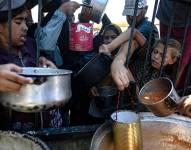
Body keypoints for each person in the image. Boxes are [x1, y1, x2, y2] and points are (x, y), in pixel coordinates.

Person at [0, 0, 64, 130]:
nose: (25, 27)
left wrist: (47, 65)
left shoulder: (31, 44)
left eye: (26, 21)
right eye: (18, 22)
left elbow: (48, 67)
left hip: (47, 125)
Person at [156, 0, 191, 89]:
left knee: (184, 60)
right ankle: (160, 87)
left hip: (188, 19)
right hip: (166, 14)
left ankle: (173, 92)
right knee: (164, 54)